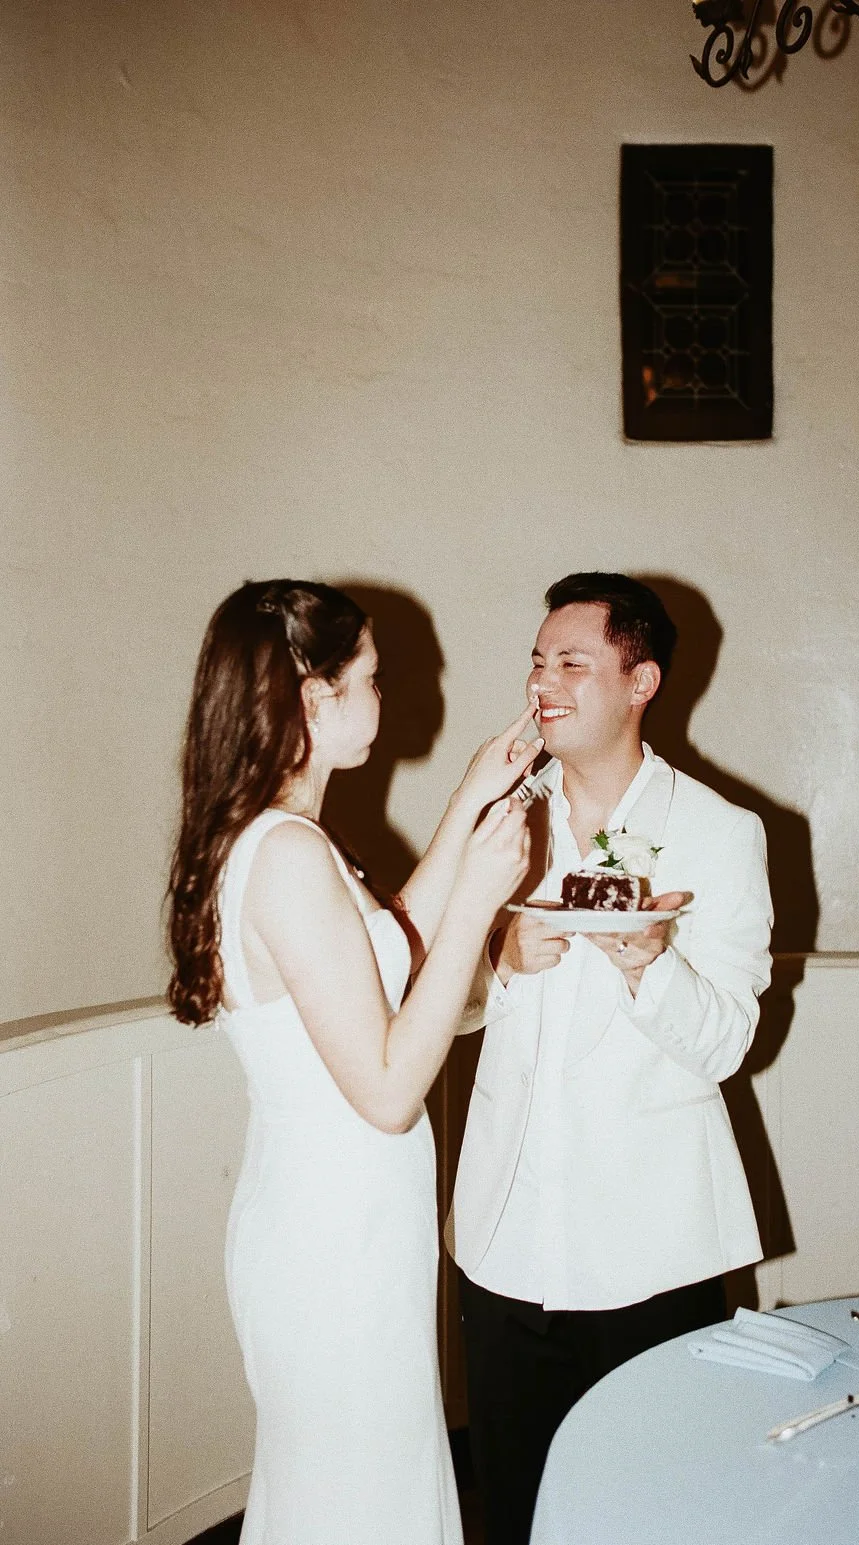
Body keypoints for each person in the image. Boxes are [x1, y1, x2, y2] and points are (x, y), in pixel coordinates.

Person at [166, 579, 541, 1545]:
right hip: (334, 1246)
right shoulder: (287, 854)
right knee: (358, 1507)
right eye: (370, 676)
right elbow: (385, 1089)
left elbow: (388, 948)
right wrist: (479, 902)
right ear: (314, 696)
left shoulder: (281, 840)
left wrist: (469, 799)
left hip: (341, 1227)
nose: (385, 692)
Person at [446, 572, 773, 1545]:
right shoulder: (501, 821)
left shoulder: (719, 833)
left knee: (654, 1513)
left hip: (649, 1252)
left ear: (641, 682)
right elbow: (444, 1007)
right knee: (513, 1509)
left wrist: (650, 967)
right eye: (537, 661)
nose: (542, 682)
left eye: (571, 662)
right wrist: (500, 964)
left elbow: (728, 1043)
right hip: (503, 1241)